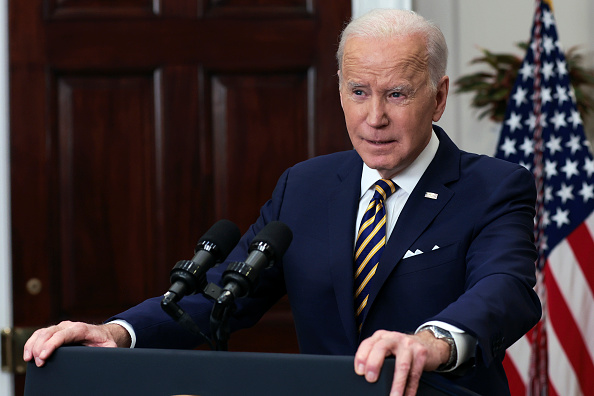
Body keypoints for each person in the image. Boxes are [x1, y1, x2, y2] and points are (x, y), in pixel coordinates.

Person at [23, 9, 541, 396]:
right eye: (359, 92)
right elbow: (223, 293)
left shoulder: (494, 187)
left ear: (440, 96)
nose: (374, 117)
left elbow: (505, 289)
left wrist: (432, 342)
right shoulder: (305, 185)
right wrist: (116, 332)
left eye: (398, 94)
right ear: (339, 91)